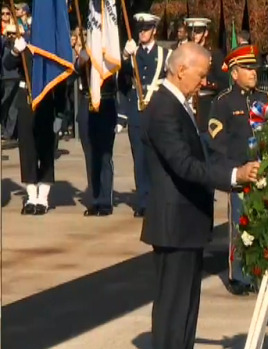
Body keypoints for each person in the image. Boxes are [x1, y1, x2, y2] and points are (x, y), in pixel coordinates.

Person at [141, 42, 260, 349]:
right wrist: (234, 175)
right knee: (173, 307)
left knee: (186, 307)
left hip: (186, 222)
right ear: (181, 70)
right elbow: (185, 165)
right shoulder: (164, 108)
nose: (204, 82)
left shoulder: (178, 104)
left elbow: (204, 153)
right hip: (174, 223)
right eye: (201, 75)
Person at [207, 44, 268, 296]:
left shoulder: (264, 99)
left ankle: (259, 271)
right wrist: (234, 169)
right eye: (247, 68)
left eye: (254, 66)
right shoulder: (223, 102)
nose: (253, 72)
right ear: (234, 73)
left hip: (263, 172)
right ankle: (239, 276)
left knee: (262, 224)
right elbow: (217, 140)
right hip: (240, 172)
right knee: (240, 223)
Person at [4, 36, 65, 215]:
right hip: (27, 100)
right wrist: (16, 51)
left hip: (46, 101)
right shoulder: (26, 45)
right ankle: (31, 197)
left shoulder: (52, 47)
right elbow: (7, 65)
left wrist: (60, 113)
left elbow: (61, 83)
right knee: (27, 149)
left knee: (46, 151)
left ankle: (43, 198)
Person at [119, 13, 168, 217]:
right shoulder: (132, 53)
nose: (142, 33)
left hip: (156, 110)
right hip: (137, 110)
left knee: (157, 157)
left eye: (146, 29)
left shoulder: (165, 54)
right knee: (139, 158)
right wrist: (124, 57)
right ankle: (143, 201)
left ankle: (158, 199)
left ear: (154, 30)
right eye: (140, 29)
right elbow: (122, 82)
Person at [74, 39, 118, 217]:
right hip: (87, 102)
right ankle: (94, 199)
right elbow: (74, 71)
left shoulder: (111, 48)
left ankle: (105, 201)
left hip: (106, 102)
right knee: (90, 155)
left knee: (105, 154)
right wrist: (80, 61)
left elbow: (118, 78)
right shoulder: (86, 52)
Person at [184, 17, 228, 134]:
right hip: (187, 106)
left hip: (206, 106)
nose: (194, 35)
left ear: (206, 33)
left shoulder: (215, 54)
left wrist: (208, 81)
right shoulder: (184, 53)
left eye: (198, 31)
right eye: (191, 31)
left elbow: (225, 83)